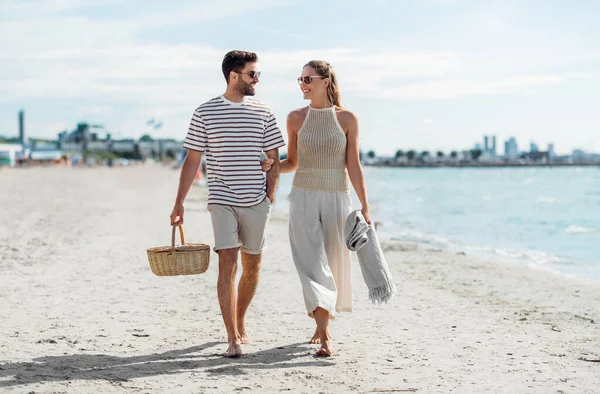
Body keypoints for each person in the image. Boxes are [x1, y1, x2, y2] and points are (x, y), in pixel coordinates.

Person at [170, 50, 285, 358]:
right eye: (252, 74)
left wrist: (269, 197)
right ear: (234, 76)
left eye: (258, 74)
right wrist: (179, 203)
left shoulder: (264, 111)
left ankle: (241, 319)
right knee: (227, 265)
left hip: (255, 201)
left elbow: (274, 157)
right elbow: (192, 159)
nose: (257, 79)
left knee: (252, 265)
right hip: (221, 198)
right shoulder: (205, 112)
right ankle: (232, 337)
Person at [263, 60, 371, 356]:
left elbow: (354, 164)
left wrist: (365, 205)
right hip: (303, 197)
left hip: (338, 196)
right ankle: (325, 337)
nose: (302, 83)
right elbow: (293, 163)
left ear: (326, 81)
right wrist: (269, 167)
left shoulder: (347, 118)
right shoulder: (296, 118)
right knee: (310, 263)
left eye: (308, 78)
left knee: (334, 263)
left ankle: (320, 324)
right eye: (300, 79)